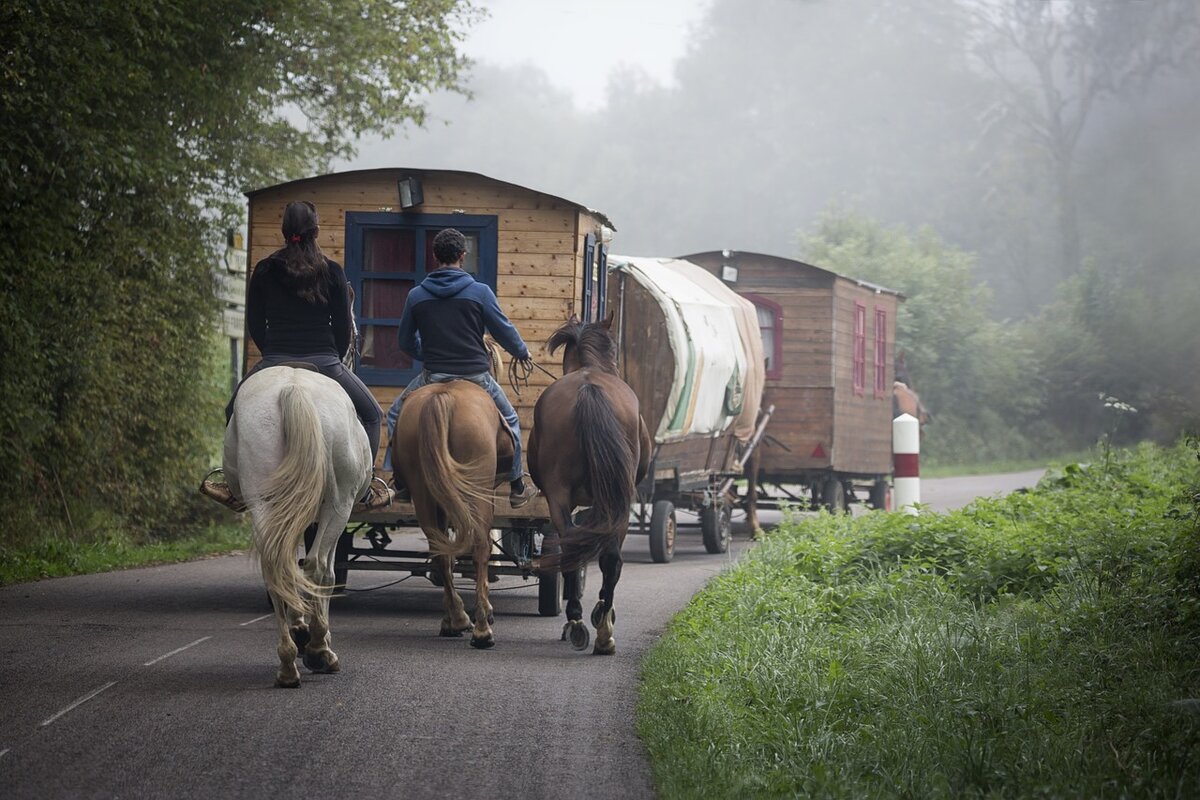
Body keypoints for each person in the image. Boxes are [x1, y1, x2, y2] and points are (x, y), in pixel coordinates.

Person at [201, 200, 393, 513]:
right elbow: (344, 327)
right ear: (316, 231)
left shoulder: (265, 269)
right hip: (326, 362)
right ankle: (366, 486)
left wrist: (271, 355)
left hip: (275, 358)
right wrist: (331, 353)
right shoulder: (332, 271)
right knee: (372, 414)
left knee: (233, 409)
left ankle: (234, 486)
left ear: (284, 230)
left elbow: (255, 323)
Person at [386, 227, 535, 507]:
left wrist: (425, 351)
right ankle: (517, 485)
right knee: (511, 419)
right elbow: (503, 330)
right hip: (476, 377)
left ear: (435, 256)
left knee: (395, 415)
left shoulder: (416, 295)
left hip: (432, 375)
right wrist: (521, 351)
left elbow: (405, 341)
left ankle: (401, 481)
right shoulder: (480, 292)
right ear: (462, 257)